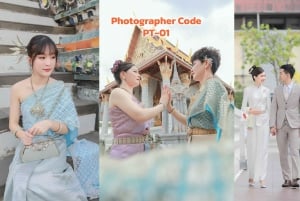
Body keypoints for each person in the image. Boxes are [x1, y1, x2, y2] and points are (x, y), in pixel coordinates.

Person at [4, 35, 97, 201]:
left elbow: (70, 126)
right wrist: (21, 134)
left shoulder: (59, 89)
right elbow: (12, 124)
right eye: (42, 57)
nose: (48, 63)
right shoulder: (17, 89)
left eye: (52, 57)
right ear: (29, 60)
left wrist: (50, 123)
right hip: (29, 144)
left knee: (42, 183)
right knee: (19, 181)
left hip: (55, 144)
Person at [166, 47, 232, 143]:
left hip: (207, 143)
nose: (191, 69)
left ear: (206, 63)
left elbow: (224, 120)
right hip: (194, 141)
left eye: (194, 64)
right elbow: (189, 122)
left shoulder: (214, 85)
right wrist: (170, 108)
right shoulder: (200, 91)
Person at [108, 60, 169, 159]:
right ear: (123, 74)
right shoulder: (117, 92)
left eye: (139, 72)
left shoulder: (133, 99)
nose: (139, 75)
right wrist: (162, 104)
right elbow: (140, 115)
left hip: (141, 150)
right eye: (135, 72)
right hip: (125, 152)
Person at [270, 64, 300, 188]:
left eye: (281, 73)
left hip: (294, 124)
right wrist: (272, 125)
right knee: (282, 153)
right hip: (280, 125)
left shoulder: (298, 88)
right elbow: (273, 108)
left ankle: (295, 178)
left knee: (294, 151)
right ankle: (287, 179)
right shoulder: (277, 89)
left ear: (287, 74)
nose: (279, 75)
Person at [241, 65, 271, 188]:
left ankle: (262, 178)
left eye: (264, 75)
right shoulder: (247, 90)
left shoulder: (267, 91)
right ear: (255, 77)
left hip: (263, 124)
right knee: (252, 150)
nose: (264, 78)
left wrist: (265, 118)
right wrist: (250, 110)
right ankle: (252, 177)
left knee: (263, 151)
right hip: (251, 124)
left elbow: (269, 108)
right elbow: (243, 108)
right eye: (261, 76)